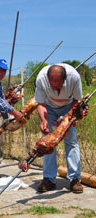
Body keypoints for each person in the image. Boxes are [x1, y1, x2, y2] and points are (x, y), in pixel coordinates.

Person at [35, 63, 84, 193]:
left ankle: (74, 179)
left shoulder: (74, 77)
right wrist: (44, 120)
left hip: (69, 106)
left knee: (71, 141)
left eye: (59, 85)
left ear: (65, 78)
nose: (56, 89)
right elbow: (40, 103)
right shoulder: (41, 78)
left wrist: (68, 117)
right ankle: (49, 179)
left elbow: (77, 100)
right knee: (47, 142)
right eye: (53, 85)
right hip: (49, 108)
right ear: (47, 79)